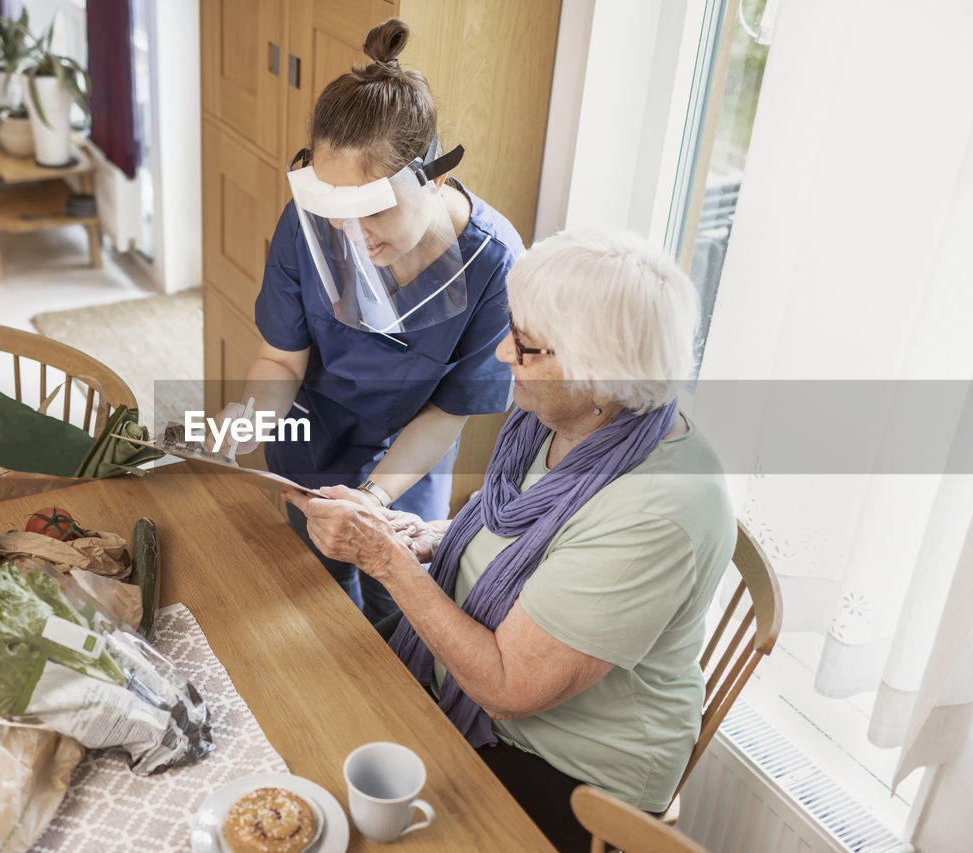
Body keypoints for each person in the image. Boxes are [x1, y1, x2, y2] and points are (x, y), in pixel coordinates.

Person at [283, 229, 736, 850]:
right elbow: (528, 535)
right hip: (479, 681)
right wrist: (434, 536)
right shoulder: (570, 417)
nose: (501, 355)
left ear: (599, 376)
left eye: (524, 347)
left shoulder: (660, 513)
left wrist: (383, 560)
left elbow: (506, 687)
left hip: (565, 764)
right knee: (303, 707)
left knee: (333, 782)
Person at [213, 18, 521, 623]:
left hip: (409, 457)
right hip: (311, 437)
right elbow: (280, 359)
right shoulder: (305, 226)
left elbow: (449, 409)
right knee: (313, 605)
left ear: (432, 178)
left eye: (370, 210)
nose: (350, 235)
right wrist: (246, 420)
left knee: (402, 612)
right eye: (332, 211)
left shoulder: (496, 265)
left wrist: (373, 497)